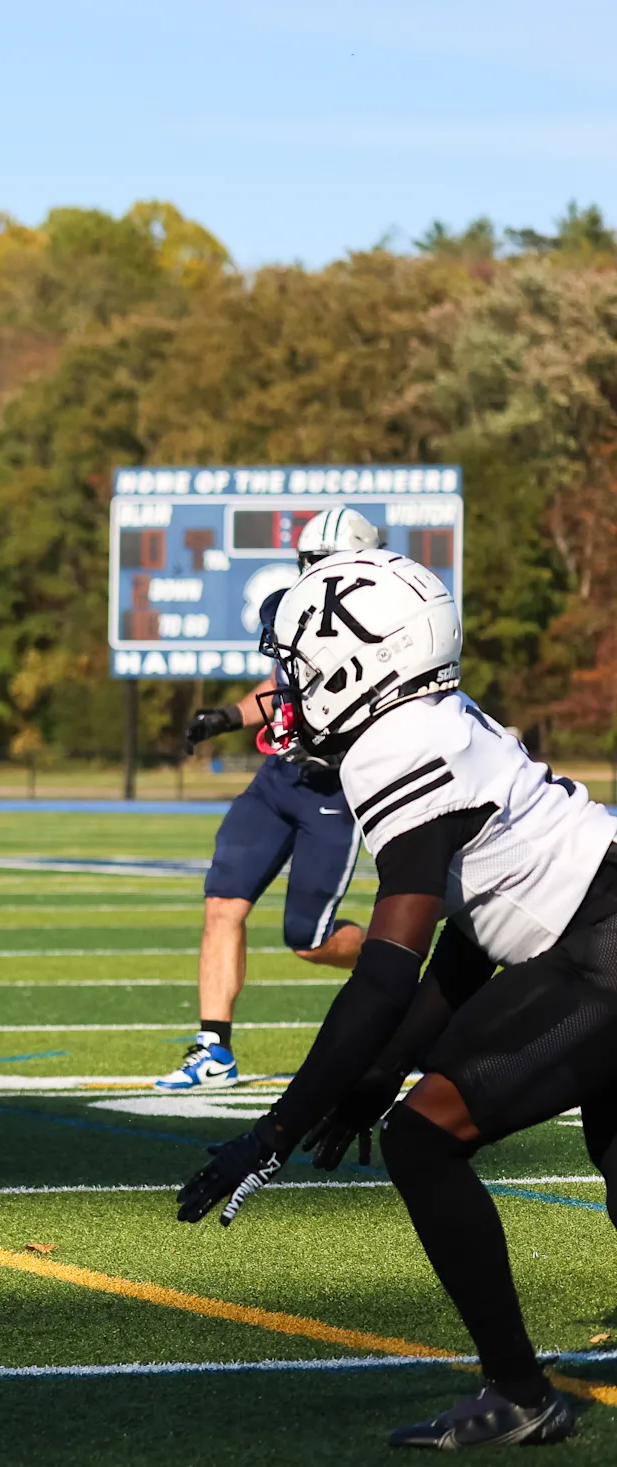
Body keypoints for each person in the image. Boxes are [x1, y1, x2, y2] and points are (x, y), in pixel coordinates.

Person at [177, 547, 610, 1448]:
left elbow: (385, 972)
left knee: (425, 1138)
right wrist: (378, 1072)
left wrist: (274, 1132)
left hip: (599, 946)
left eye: (299, 668)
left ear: (359, 667)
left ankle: (520, 1394)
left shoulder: (395, 747)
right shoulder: (435, 718)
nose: (289, 690)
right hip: (592, 925)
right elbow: (475, 932)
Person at [157, 509, 384, 1091]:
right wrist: (228, 716)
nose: (315, 577)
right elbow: (285, 687)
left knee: (308, 941)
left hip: (331, 788)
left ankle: (396, 959)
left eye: (324, 565)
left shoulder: (388, 630)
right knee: (222, 905)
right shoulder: (301, 615)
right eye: (309, 564)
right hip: (276, 780)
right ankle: (214, 1049)